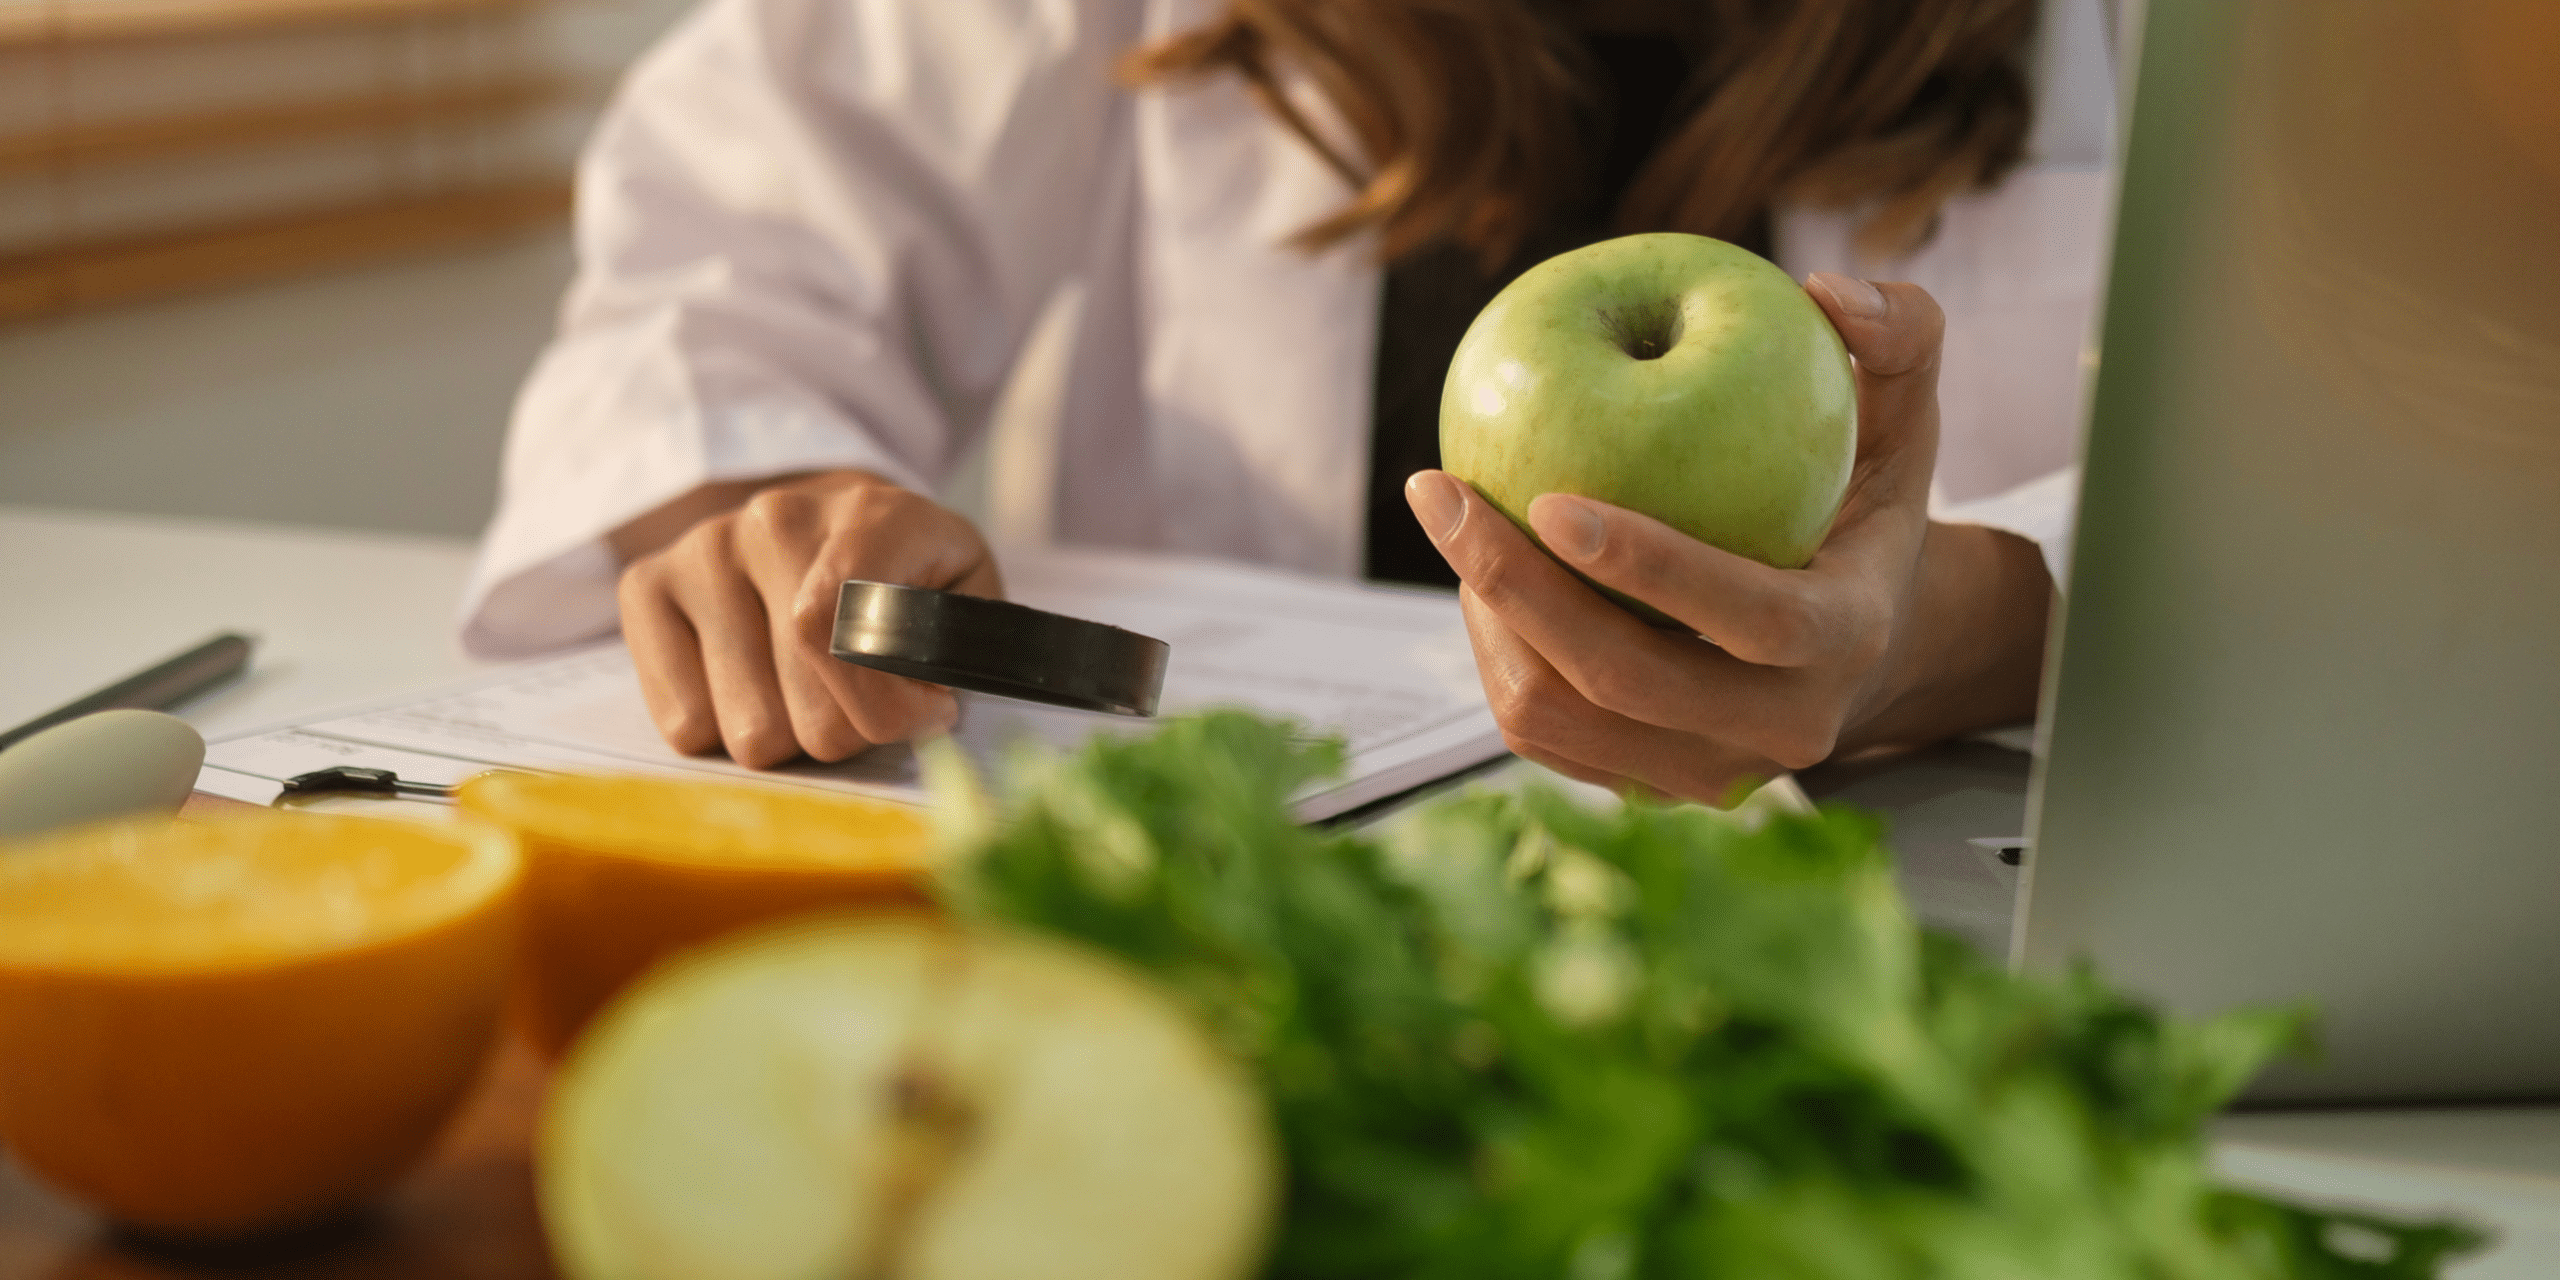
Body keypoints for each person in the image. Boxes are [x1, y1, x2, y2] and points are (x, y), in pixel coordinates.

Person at [461, 0, 2117, 802]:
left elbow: (2342, 502)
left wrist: (1934, 638)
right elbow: (735, 252)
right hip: (1227, 902)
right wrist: (772, 514)